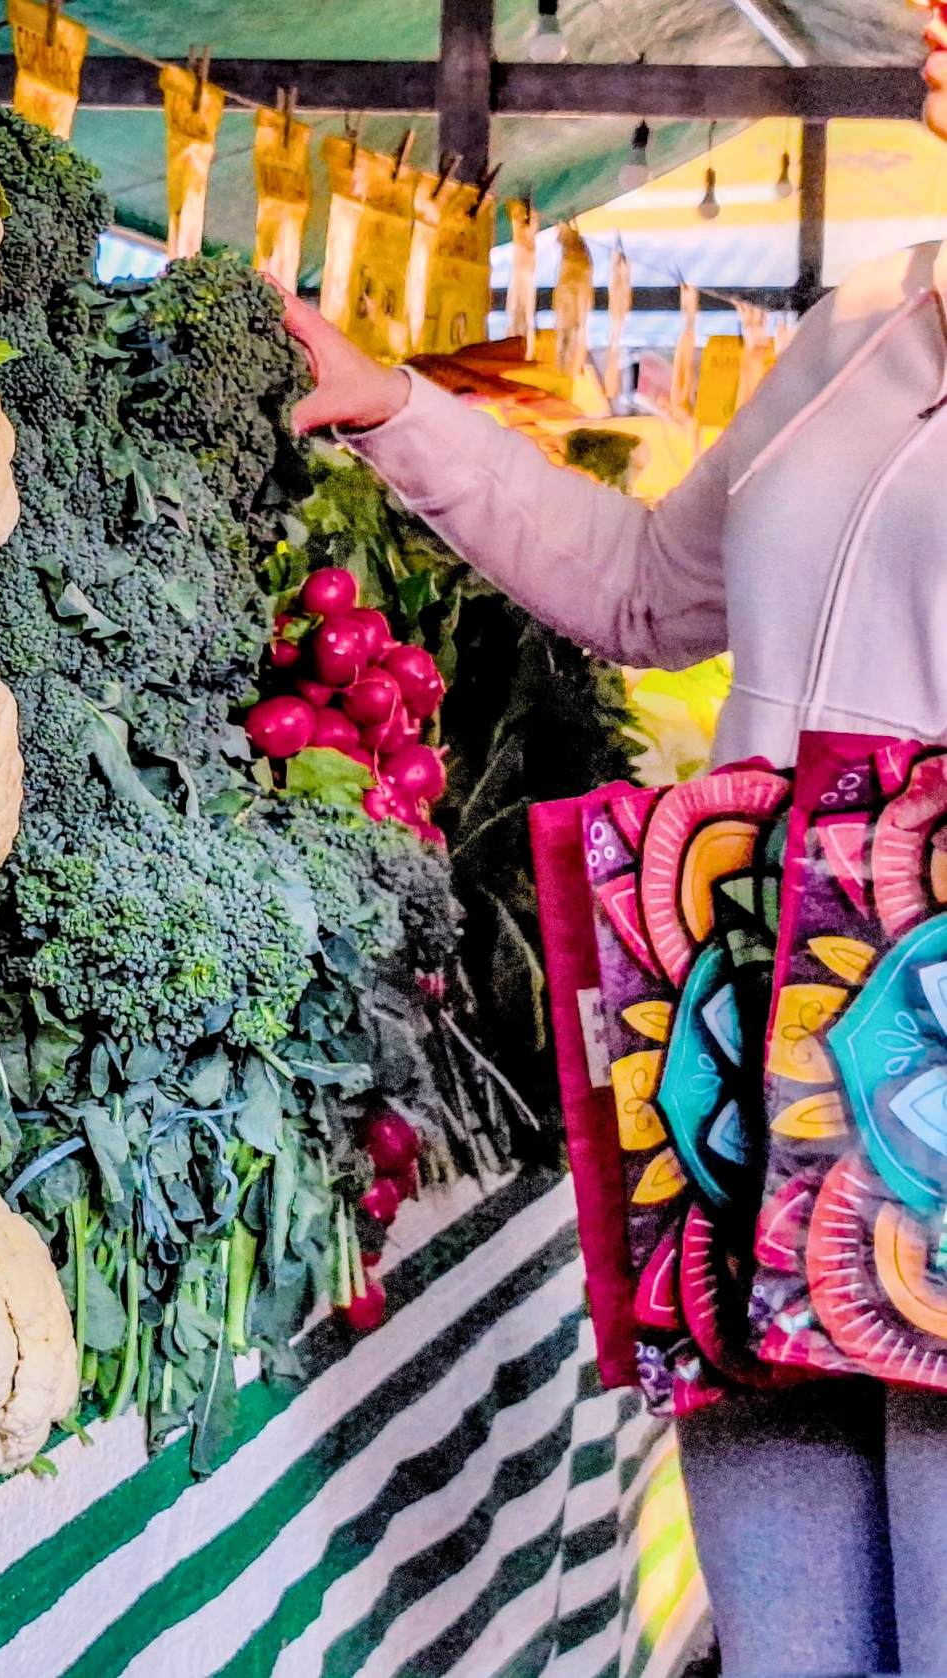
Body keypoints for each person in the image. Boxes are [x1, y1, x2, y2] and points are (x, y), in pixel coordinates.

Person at [282, 14, 947, 1673]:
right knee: (786, 1639)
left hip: (924, 1082)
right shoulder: (861, 323)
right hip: (745, 1059)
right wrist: (398, 417)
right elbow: (649, 590)